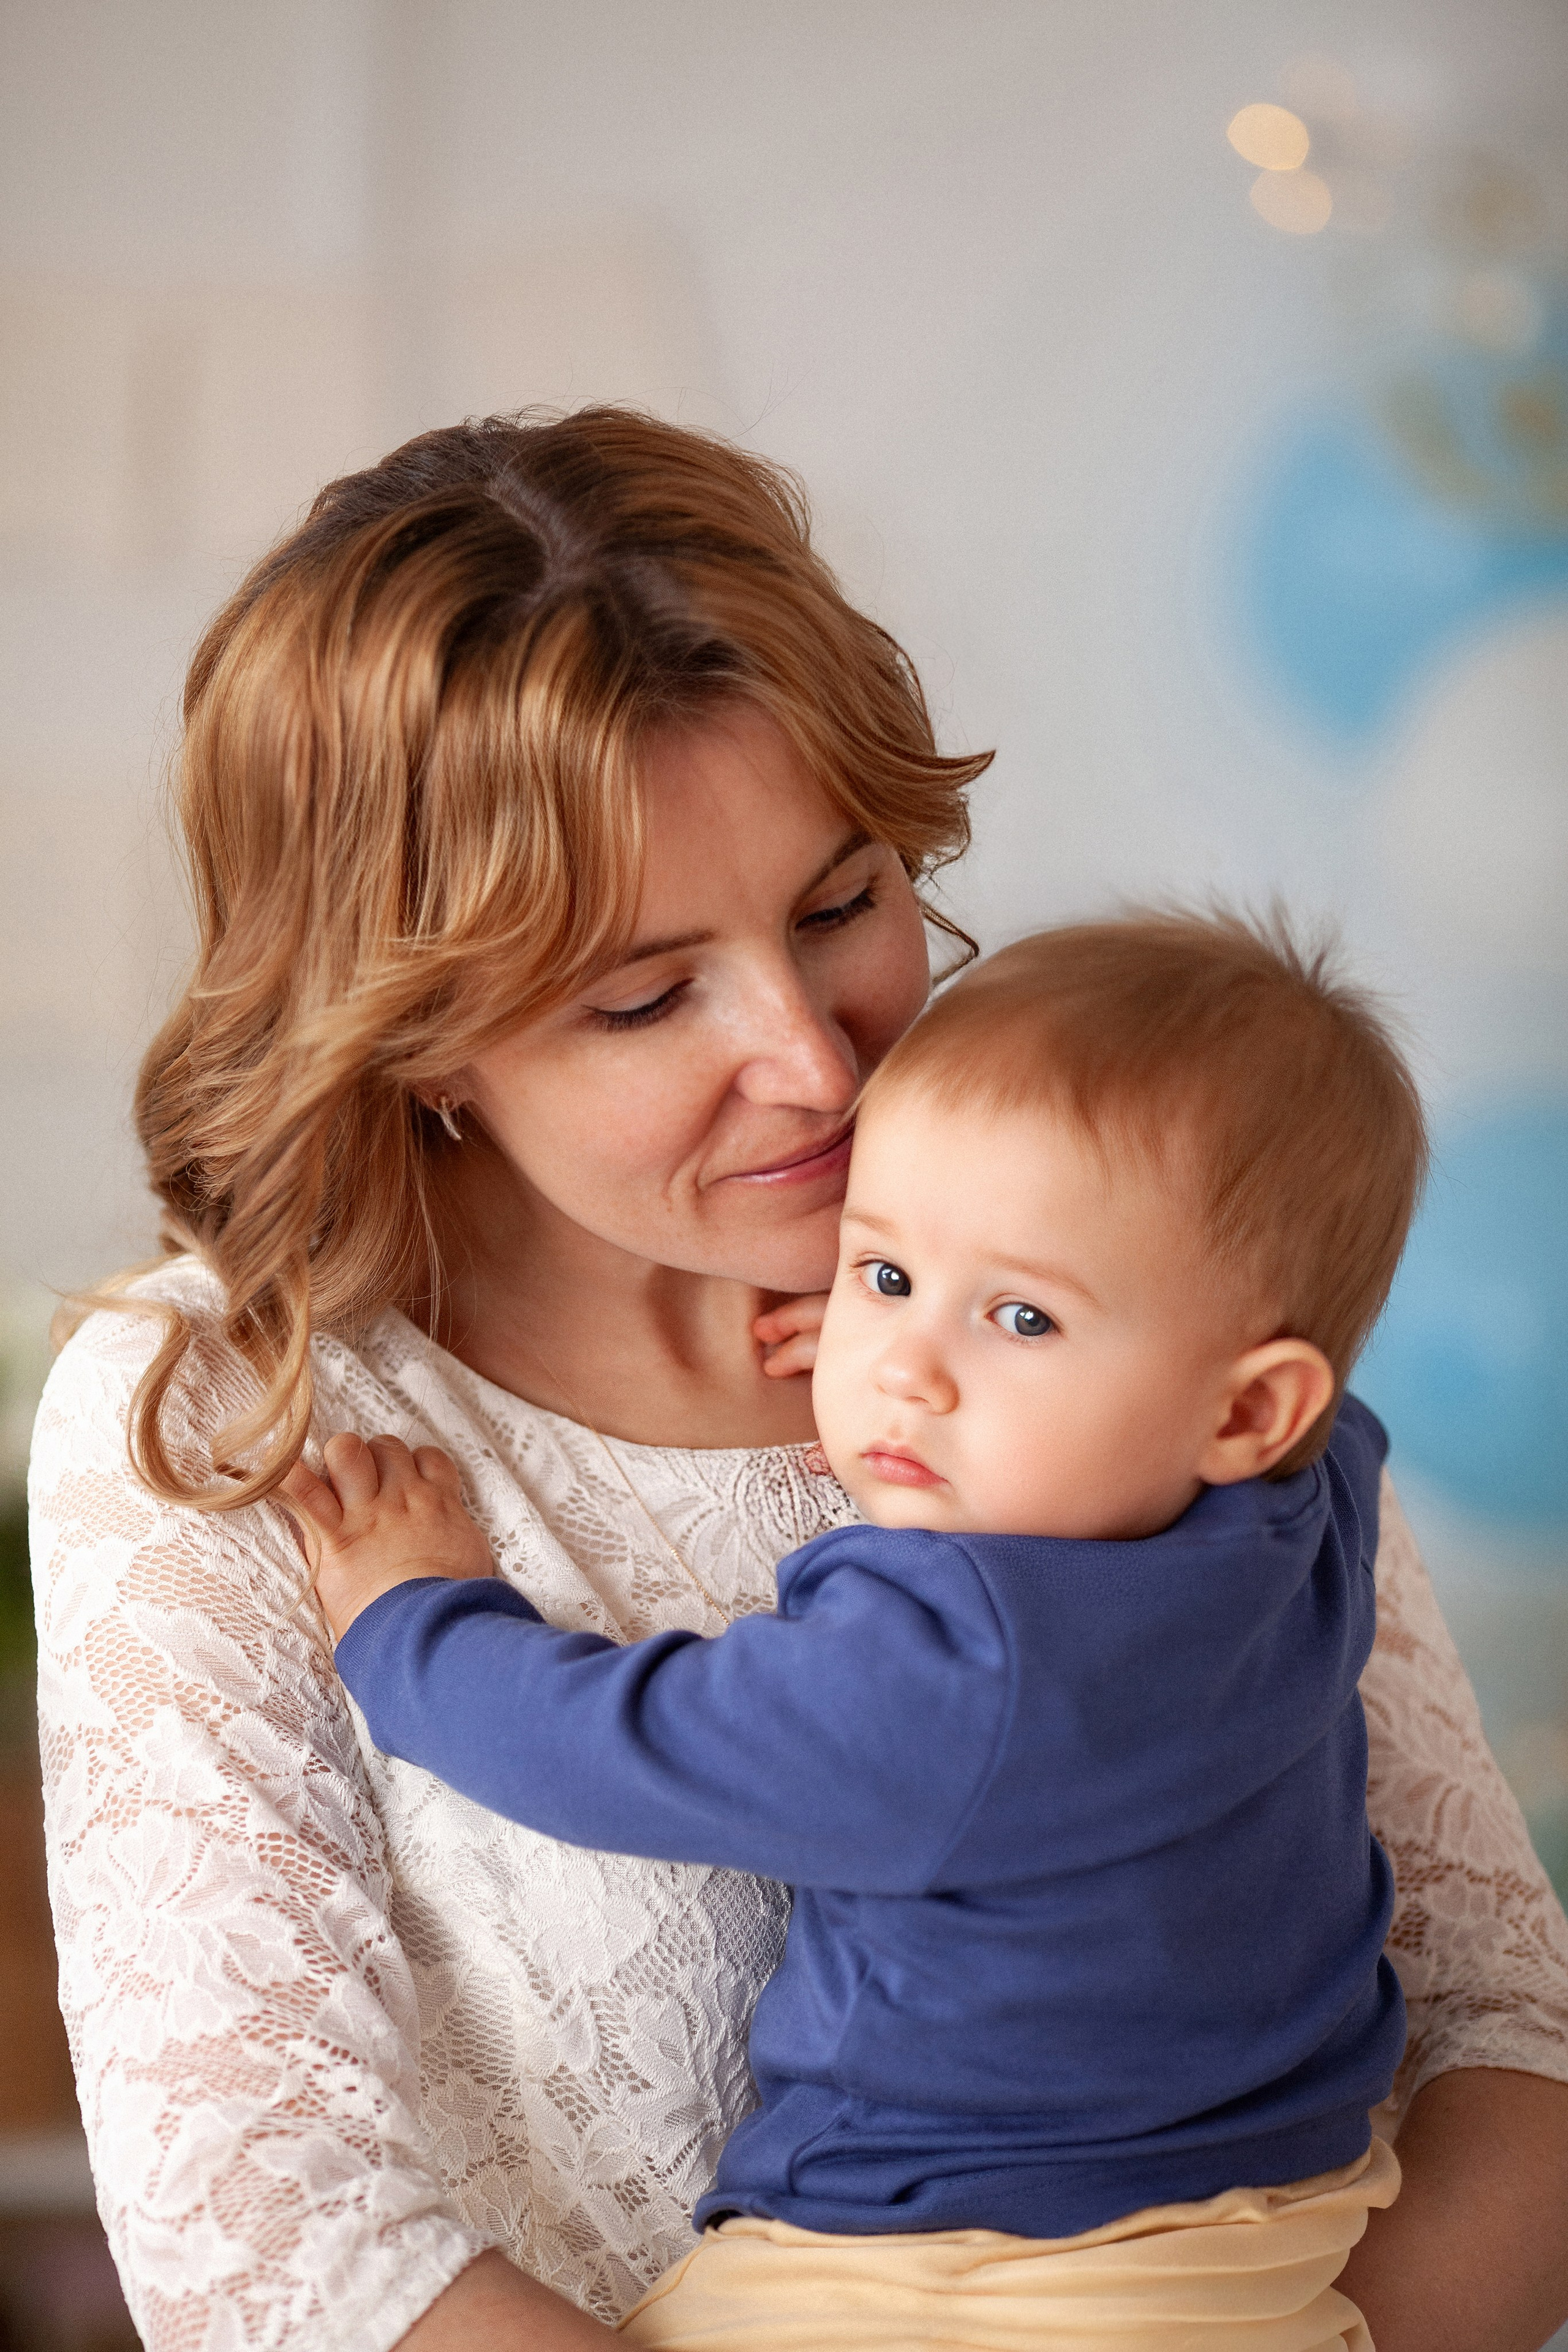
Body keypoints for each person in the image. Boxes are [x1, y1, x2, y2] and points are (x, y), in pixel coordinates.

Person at [26, 410, 1568, 2352]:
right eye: (646, 995)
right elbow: (279, 2253)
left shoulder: (1116, 1287)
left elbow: (1511, 2035)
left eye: (843, 905)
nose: (823, 1068)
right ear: (418, 1038)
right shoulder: (224, 1413)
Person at [287, 910, 1417, 2351]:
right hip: (1277, 2228)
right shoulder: (1312, 1505)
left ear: (1246, 1408)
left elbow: (633, 1745)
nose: (908, 1376)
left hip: (955, 2272)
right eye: (879, 1275)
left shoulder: (964, 1665)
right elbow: (1202, 1389)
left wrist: (411, 1613)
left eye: (1020, 1318)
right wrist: (977, 1349)